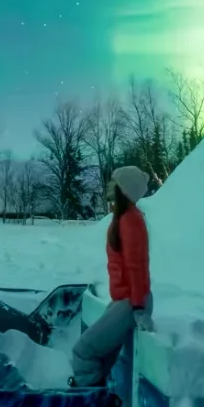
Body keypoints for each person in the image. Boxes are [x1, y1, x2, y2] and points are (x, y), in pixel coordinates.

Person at [70, 165, 154, 390]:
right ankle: (99, 402)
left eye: (115, 183)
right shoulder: (123, 217)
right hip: (125, 301)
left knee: (83, 352)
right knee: (102, 358)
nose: (109, 186)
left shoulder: (131, 219)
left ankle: (87, 402)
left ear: (124, 189)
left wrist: (138, 307)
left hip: (131, 303)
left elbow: (136, 266)